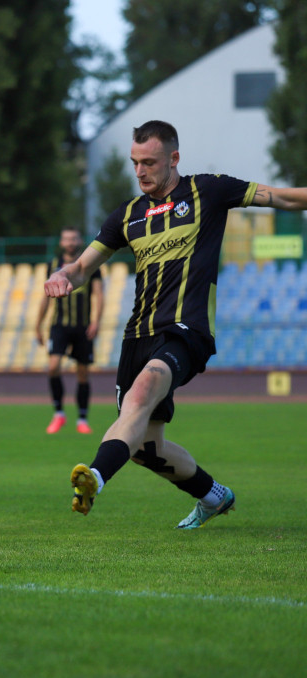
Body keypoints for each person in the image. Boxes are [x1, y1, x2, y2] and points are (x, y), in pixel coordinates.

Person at [45, 119, 307, 529]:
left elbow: (282, 198)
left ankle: (94, 477)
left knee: (142, 393)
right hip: (138, 335)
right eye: (135, 163)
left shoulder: (209, 190)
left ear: (174, 158)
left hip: (188, 329)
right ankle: (213, 495)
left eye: (149, 162)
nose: (140, 171)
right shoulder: (127, 215)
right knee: (146, 447)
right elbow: (81, 268)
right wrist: (63, 276)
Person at [34, 227, 103, 435]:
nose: (70, 242)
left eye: (74, 238)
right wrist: (38, 325)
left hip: (83, 326)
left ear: (80, 240)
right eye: (67, 239)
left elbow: (99, 295)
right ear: (62, 242)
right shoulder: (53, 266)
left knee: (82, 373)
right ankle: (59, 414)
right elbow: (46, 297)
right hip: (59, 326)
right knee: (53, 367)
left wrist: (96, 321)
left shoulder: (90, 264)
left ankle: (82, 418)